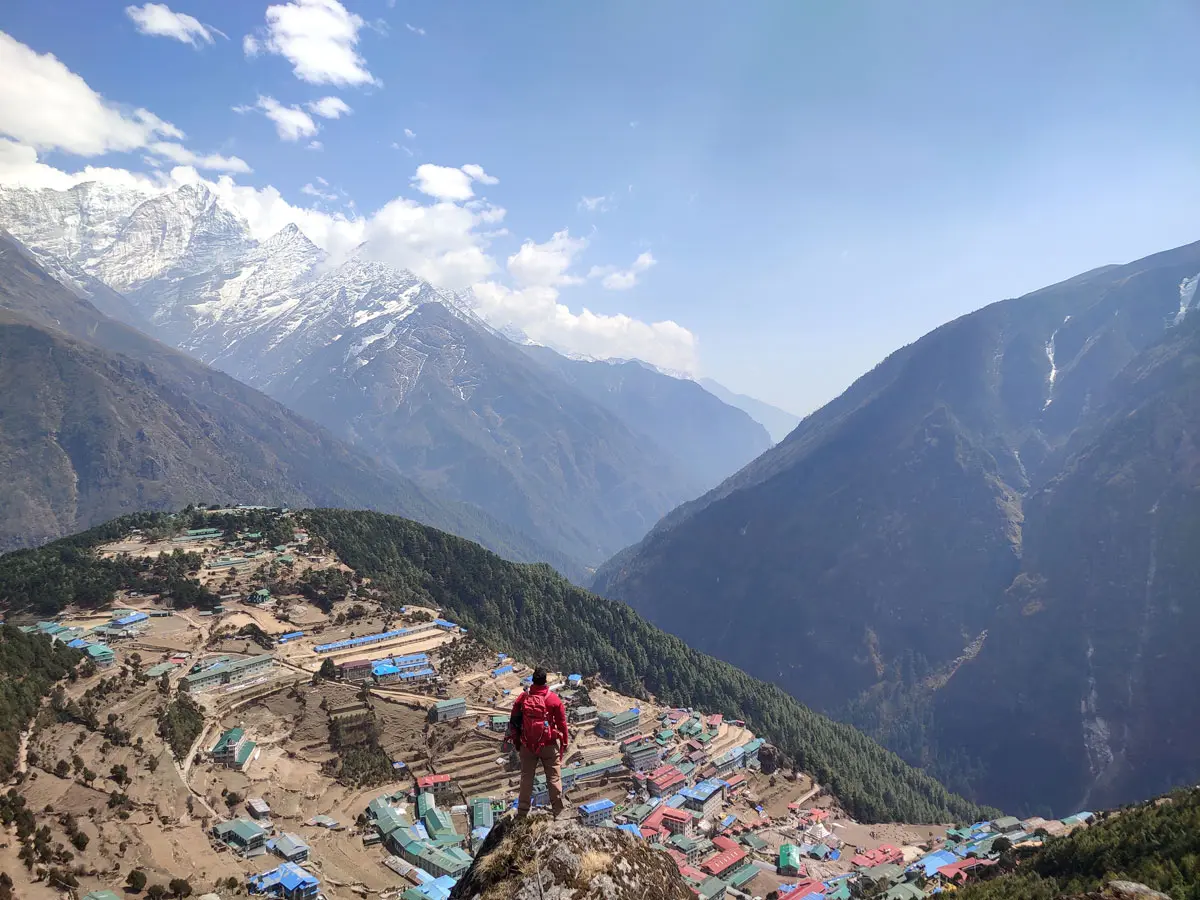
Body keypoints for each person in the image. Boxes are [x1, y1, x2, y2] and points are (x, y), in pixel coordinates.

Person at [506, 667, 569, 816]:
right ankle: (558, 812)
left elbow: (513, 721)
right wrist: (564, 742)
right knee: (553, 778)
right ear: (545, 682)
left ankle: (522, 811)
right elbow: (562, 724)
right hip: (549, 744)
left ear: (533, 681)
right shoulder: (553, 699)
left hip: (527, 745)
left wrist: (517, 742)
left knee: (527, 777)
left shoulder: (523, 698)